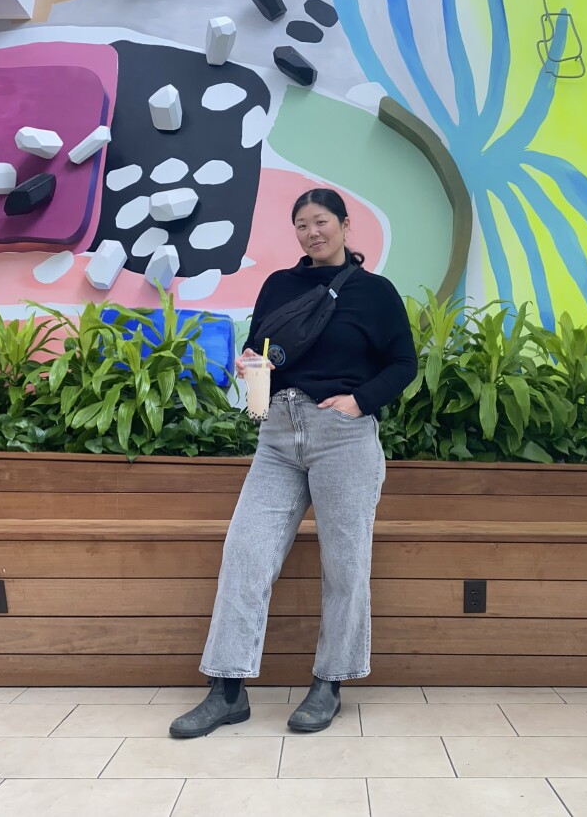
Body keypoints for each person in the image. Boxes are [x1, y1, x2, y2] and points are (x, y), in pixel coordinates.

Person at [169, 187, 417, 739]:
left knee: (344, 564)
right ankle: (227, 690)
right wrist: (252, 368)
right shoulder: (279, 285)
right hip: (278, 433)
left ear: (346, 225)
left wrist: (359, 401)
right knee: (245, 553)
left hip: (343, 436)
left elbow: (404, 363)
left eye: (321, 221)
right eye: (301, 224)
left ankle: (330, 681)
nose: (312, 232)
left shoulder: (376, 293)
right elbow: (266, 352)